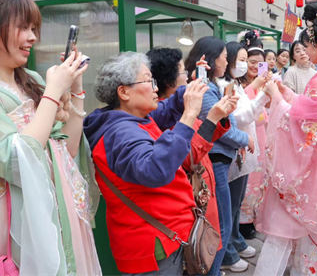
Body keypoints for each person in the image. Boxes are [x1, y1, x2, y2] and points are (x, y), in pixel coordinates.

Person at [0, 0, 101, 275]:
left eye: (34, 28)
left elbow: (64, 151)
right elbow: (15, 161)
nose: (33, 37)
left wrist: (75, 90)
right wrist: (53, 92)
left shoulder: (31, 78)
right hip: (5, 216)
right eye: (23, 27)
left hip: (56, 207)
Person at [83, 52, 236, 276]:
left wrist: (194, 87)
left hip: (165, 236)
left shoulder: (135, 118)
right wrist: (189, 115)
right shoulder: (120, 132)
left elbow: (171, 107)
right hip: (155, 246)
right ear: (123, 92)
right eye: (148, 81)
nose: (155, 87)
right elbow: (155, 169)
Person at [254, 7, 317, 276]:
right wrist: (286, 93)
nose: (306, 52)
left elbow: (300, 125)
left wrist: (276, 96)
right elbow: (310, 110)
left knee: (308, 232)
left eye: (309, 46)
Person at [185, 37, 253, 276]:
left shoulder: (214, 85)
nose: (227, 61)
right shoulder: (204, 89)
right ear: (212, 59)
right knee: (220, 225)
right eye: (225, 56)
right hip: (215, 160)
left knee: (225, 217)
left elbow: (225, 120)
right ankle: (213, 269)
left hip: (221, 157)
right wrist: (245, 139)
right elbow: (218, 126)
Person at [146, 47, 222, 245]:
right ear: (170, 81)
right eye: (183, 72)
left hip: (203, 190)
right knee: (204, 251)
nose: (187, 77)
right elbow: (188, 158)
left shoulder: (181, 106)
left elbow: (203, 138)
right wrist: (213, 118)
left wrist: (219, 118)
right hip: (192, 199)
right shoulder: (165, 115)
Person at [217, 42, 271, 272]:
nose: (243, 64)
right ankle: (228, 252)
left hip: (245, 150)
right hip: (234, 150)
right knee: (228, 207)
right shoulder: (223, 86)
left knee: (236, 204)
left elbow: (251, 113)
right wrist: (261, 92)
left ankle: (237, 241)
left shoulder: (235, 85)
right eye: (241, 59)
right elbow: (239, 117)